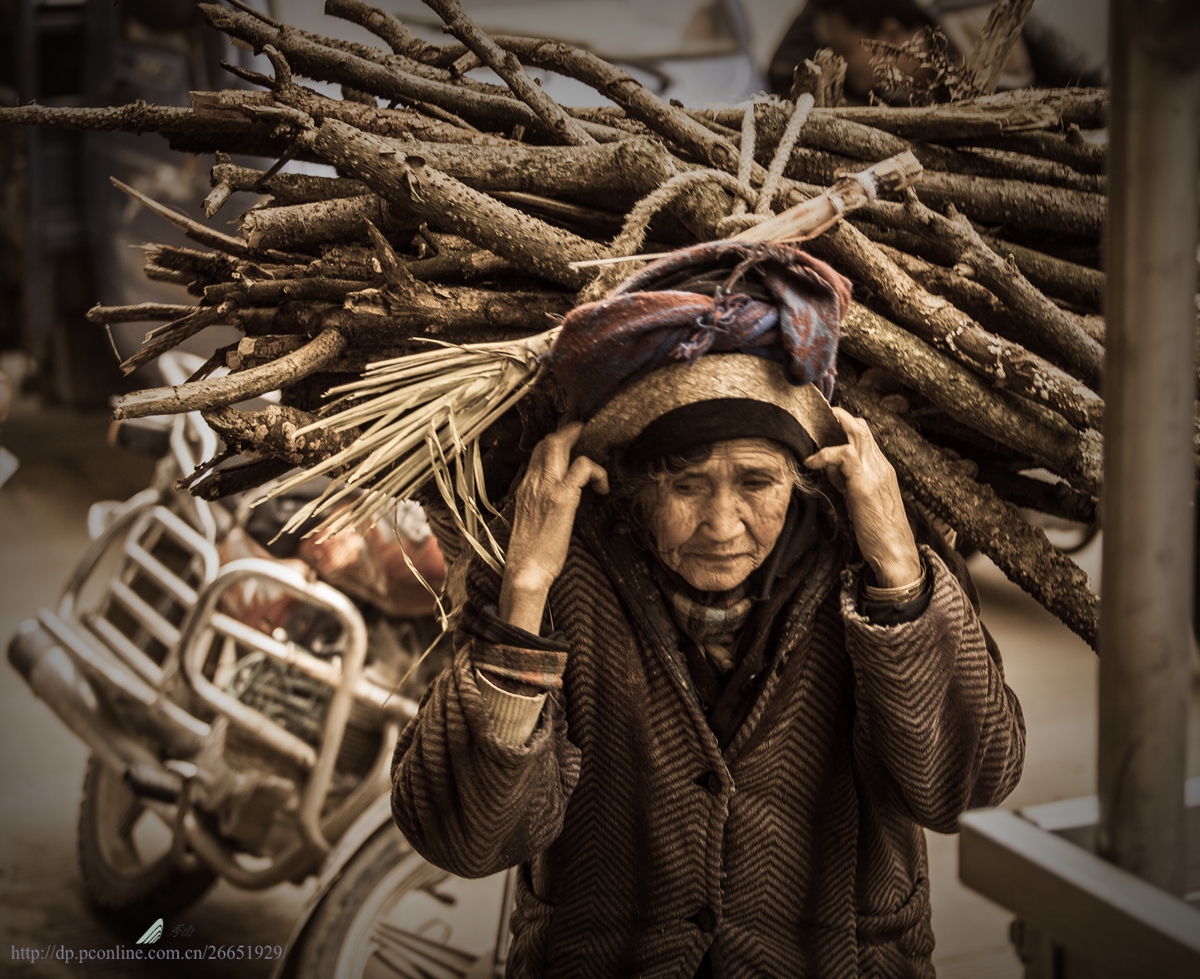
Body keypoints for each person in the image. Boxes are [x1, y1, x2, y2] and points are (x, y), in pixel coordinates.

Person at [391, 241, 1025, 978]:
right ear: (629, 482)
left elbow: (965, 788)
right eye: (687, 484)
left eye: (756, 481)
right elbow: (463, 837)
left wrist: (900, 578)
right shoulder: (562, 575)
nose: (723, 525)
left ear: (803, 475)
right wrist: (525, 589)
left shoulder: (869, 561)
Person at [768, 0, 1103, 102]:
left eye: (842, 51)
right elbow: (783, 72)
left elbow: (1097, 87)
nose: (836, 65)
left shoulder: (990, 15)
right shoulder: (865, 97)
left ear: (888, 36)